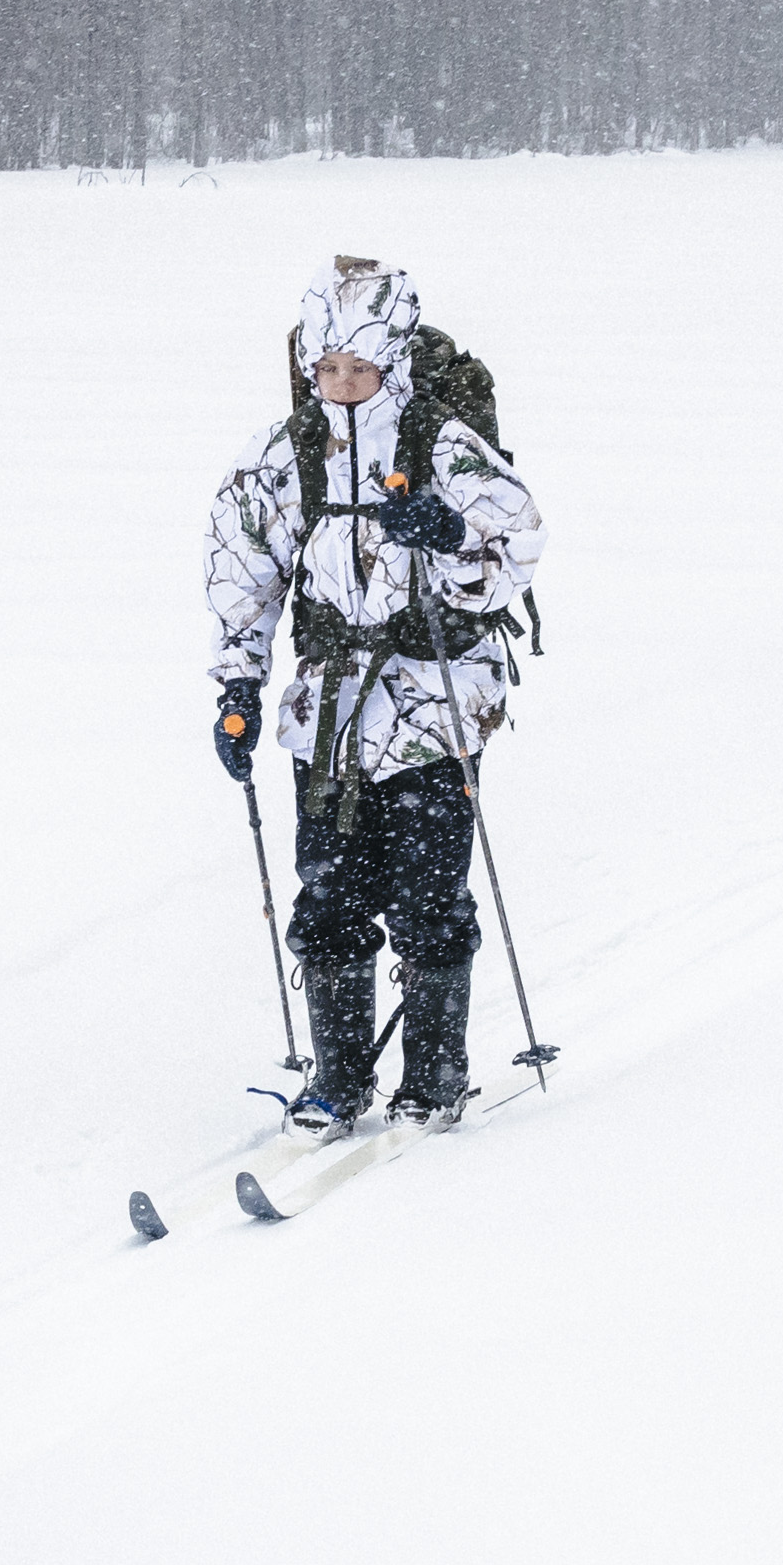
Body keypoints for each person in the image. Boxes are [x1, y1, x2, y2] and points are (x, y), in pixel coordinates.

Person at [206, 259, 544, 1137]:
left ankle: (435, 1073)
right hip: (327, 714)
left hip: (436, 708)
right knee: (328, 897)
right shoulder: (283, 457)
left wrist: (446, 539)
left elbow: (517, 542)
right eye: (328, 370)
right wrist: (239, 687)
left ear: (392, 363)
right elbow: (244, 574)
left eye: (360, 369)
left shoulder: (440, 442)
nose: (344, 386)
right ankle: (339, 1075)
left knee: (430, 896)